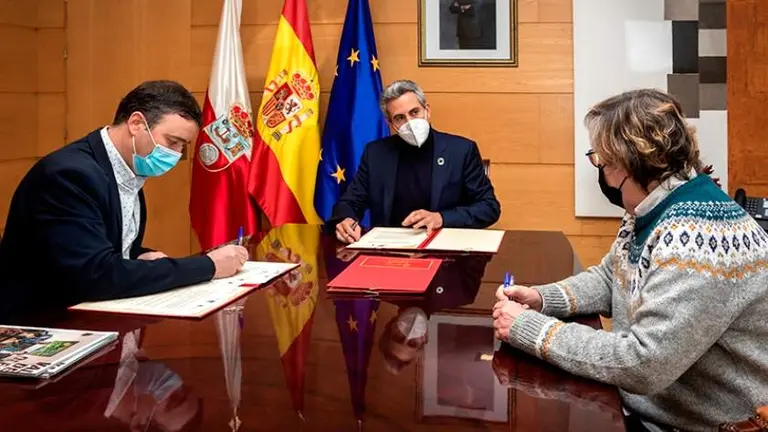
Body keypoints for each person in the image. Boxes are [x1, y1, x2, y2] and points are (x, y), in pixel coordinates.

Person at [492, 89, 768, 431]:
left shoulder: (699, 240)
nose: (602, 173)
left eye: (602, 161)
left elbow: (642, 363)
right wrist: (542, 298)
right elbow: (612, 277)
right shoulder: (653, 204)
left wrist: (529, 329)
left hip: (698, 425)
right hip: (650, 410)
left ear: (631, 160)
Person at [0, 80, 248, 321]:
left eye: (183, 146)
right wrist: (208, 266)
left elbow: (97, 242)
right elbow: (94, 273)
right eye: (172, 142)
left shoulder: (127, 168)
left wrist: (140, 256)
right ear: (136, 123)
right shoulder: (69, 175)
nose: (176, 154)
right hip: (41, 325)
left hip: (92, 317)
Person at [332, 80, 500, 243]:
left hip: (445, 251)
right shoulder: (375, 153)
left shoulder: (461, 151)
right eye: (399, 118)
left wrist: (441, 218)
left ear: (427, 111)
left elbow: (488, 207)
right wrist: (346, 220)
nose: (410, 122)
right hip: (389, 252)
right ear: (391, 124)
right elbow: (351, 201)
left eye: (414, 112)